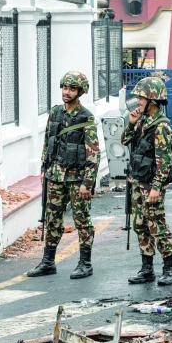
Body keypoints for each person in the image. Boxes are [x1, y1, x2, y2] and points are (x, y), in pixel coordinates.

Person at [28, 71, 100, 280]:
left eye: (72, 89)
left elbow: (93, 152)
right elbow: (48, 141)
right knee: (52, 220)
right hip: (55, 176)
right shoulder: (55, 113)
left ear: (80, 91)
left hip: (77, 179)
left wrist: (88, 182)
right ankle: (48, 262)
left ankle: (85, 263)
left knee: (82, 220)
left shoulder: (86, 117)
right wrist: (44, 169)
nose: (66, 92)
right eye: (65, 88)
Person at [121, 77, 172, 286]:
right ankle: (147, 269)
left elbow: (164, 161)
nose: (138, 102)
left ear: (152, 101)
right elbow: (125, 140)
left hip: (150, 185)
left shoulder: (161, 126)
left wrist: (157, 188)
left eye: (141, 98)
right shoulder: (143, 121)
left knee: (157, 225)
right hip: (138, 182)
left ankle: (169, 269)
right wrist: (131, 123)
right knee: (140, 224)